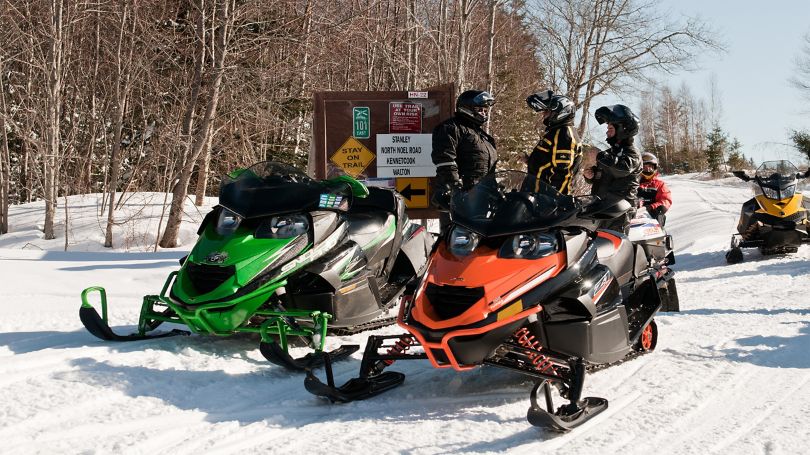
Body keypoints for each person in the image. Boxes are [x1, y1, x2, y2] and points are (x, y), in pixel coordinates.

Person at [431, 90, 497, 233]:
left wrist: (495, 188)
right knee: (458, 241)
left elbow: (487, 167)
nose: (484, 113)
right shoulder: (450, 128)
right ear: (467, 108)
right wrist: (454, 188)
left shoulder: (483, 136)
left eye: (485, 110)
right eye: (480, 109)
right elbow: (445, 160)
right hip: (458, 198)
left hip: (481, 197)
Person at [583, 104, 642, 233]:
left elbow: (622, 169)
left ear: (622, 129)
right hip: (602, 208)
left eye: (610, 128)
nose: (607, 132)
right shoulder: (610, 153)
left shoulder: (632, 153)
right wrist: (592, 176)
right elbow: (604, 176)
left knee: (614, 249)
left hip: (620, 211)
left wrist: (599, 156)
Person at [524, 90, 582, 194]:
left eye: (547, 111)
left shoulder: (565, 135)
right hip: (533, 193)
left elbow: (563, 174)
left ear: (560, 112)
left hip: (544, 199)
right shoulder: (556, 132)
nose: (543, 115)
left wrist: (553, 201)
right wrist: (530, 161)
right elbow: (548, 162)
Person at [637, 152, 672, 226]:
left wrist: (651, 207)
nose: (648, 169)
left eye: (650, 167)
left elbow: (666, 200)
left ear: (655, 167)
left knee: (660, 214)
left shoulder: (660, 184)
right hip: (634, 214)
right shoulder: (633, 184)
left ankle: (661, 236)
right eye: (645, 167)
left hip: (653, 215)